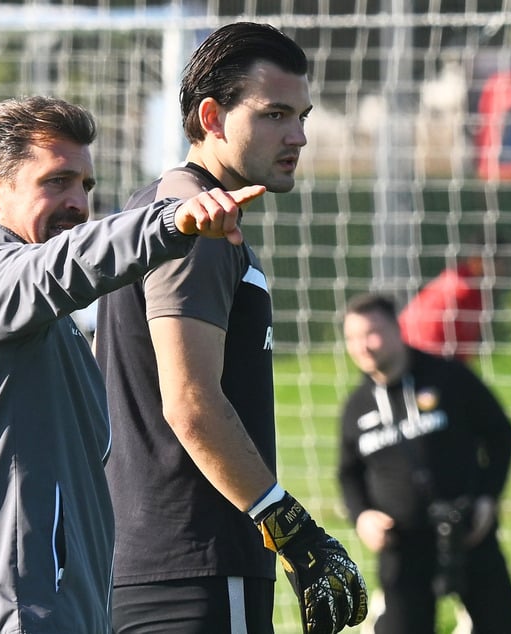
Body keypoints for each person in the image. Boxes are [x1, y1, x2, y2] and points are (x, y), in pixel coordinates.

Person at [0, 95, 266, 633]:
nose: (78, 203)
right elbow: (62, 267)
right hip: (16, 618)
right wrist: (169, 222)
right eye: (57, 182)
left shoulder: (43, 324)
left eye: (86, 186)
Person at [94, 22, 368, 634]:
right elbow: (190, 401)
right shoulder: (199, 228)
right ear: (212, 116)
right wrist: (291, 530)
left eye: (303, 115)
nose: (297, 135)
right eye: (274, 114)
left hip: (145, 564)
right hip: (197, 565)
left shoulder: (154, 210)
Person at [337, 293, 511, 634]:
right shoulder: (357, 407)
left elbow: (501, 434)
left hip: (468, 532)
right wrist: (362, 515)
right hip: (403, 549)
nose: (362, 346)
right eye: (352, 338)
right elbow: (348, 473)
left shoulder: (449, 377)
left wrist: (488, 497)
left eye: (371, 333)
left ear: (397, 329)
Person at [397, 236, 508, 361]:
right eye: (502, 263)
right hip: (417, 355)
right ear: (479, 260)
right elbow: (430, 339)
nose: (505, 270)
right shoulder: (462, 290)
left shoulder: (469, 287)